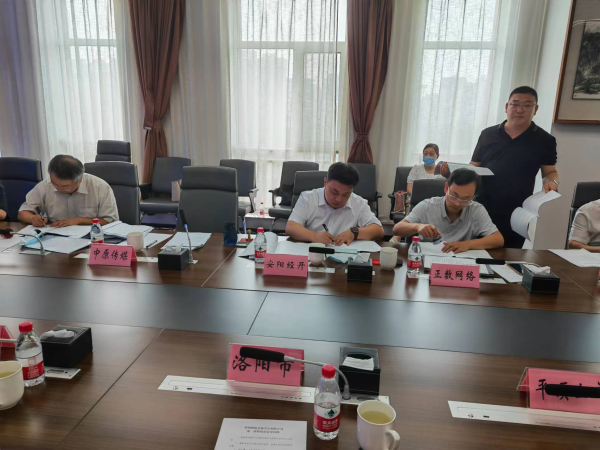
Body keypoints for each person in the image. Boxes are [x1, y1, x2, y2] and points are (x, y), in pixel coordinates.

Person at [441, 86, 559, 248]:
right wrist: (453, 173)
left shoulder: (545, 140)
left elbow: (550, 172)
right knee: (471, 250)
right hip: (481, 205)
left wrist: (552, 182)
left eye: (527, 105)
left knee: (508, 255)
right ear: (506, 106)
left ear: (535, 109)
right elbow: (474, 166)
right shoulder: (488, 134)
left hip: (517, 210)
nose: (519, 110)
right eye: (515, 104)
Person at [392, 168, 504, 254]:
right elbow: (397, 229)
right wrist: (417, 226)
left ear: (473, 197)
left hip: (460, 263)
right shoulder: (427, 206)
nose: (457, 203)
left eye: (465, 199)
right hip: (426, 261)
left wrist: (468, 244)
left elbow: (498, 240)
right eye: (454, 196)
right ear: (446, 188)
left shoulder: (476, 209)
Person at [286, 162, 384, 245]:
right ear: (325, 182)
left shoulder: (359, 203)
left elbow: (379, 230)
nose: (339, 199)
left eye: (346, 194)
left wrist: (354, 233)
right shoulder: (308, 198)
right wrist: (314, 236)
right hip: (313, 254)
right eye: (334, 192)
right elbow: (291, 227)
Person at [18, 154, 118, 228]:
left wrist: (79, 221)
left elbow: (110, 221)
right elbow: (23, 213)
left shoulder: (100, 187)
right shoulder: (45, 185)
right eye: (54, 183)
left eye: (65, 186)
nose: (58, 188)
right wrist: (33, 219)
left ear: (79, 180)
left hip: (92, 237)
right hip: (55, 236)